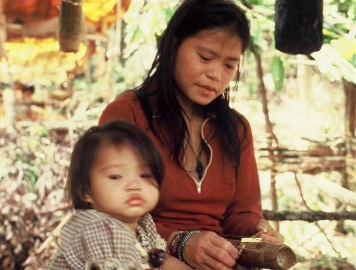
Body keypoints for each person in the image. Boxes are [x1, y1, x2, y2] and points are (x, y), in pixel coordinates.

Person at [98, 0, 284, 269]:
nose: (215, 74)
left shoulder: (237, 129)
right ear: (173, 45)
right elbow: (109, 217)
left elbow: (242, 212)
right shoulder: (128, 115)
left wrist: (258, 233)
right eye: (205, 57)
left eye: (229, 65)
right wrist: (179, 242)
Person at [47, 121, 188, 269]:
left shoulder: (143, 224)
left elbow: (161, 263)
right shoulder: (100, 230)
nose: (134, 185)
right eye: (115, 176)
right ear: (86, 191)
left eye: (145, 175)